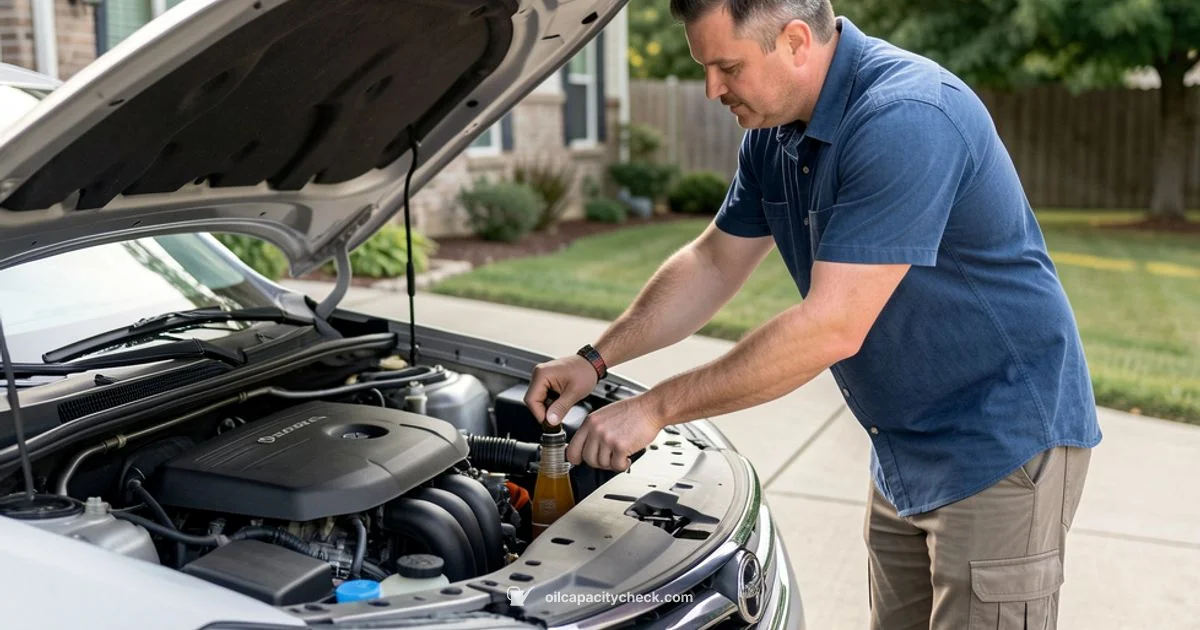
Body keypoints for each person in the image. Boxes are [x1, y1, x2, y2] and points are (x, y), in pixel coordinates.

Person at [524, 0, 1102, 628]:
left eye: (727, 67)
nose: (712, 88)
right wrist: (595, 359)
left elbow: (832, 325)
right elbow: (714, 263)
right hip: (905, 445)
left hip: (999, 441)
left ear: (796, 41)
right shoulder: (775, 134)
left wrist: (655, 407)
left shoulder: (906, 117)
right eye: (705, 67)